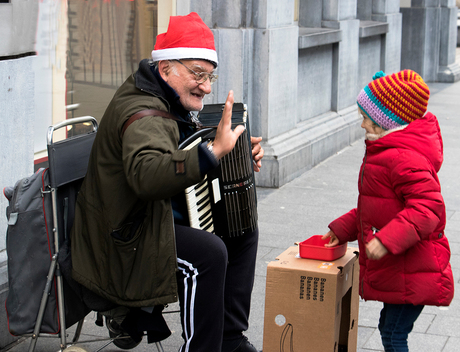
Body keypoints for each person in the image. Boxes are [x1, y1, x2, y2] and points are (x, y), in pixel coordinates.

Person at [70, 12, 263, 352]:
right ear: (165, 69)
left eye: (210, 76)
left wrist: (236, 155)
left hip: (149, 217)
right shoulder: (143, 113)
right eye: (197, 74)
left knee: (242, 226)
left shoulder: (165, 95)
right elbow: (147, 176)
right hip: (124, 239)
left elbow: (180, 148)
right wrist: (214, 151)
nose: (205, 85)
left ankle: (230, 338)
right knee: (209, 254)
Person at [322, 70, 454, 352]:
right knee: (390, 328)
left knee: (393, 334)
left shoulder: (403, 158)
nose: (362, 125)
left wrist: (386, 238)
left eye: (366, 119)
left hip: (415, 270)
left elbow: (428, 208)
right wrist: (342, 228)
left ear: (385, 122)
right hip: (404, 269)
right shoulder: (388, 151)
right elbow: (377, 207)